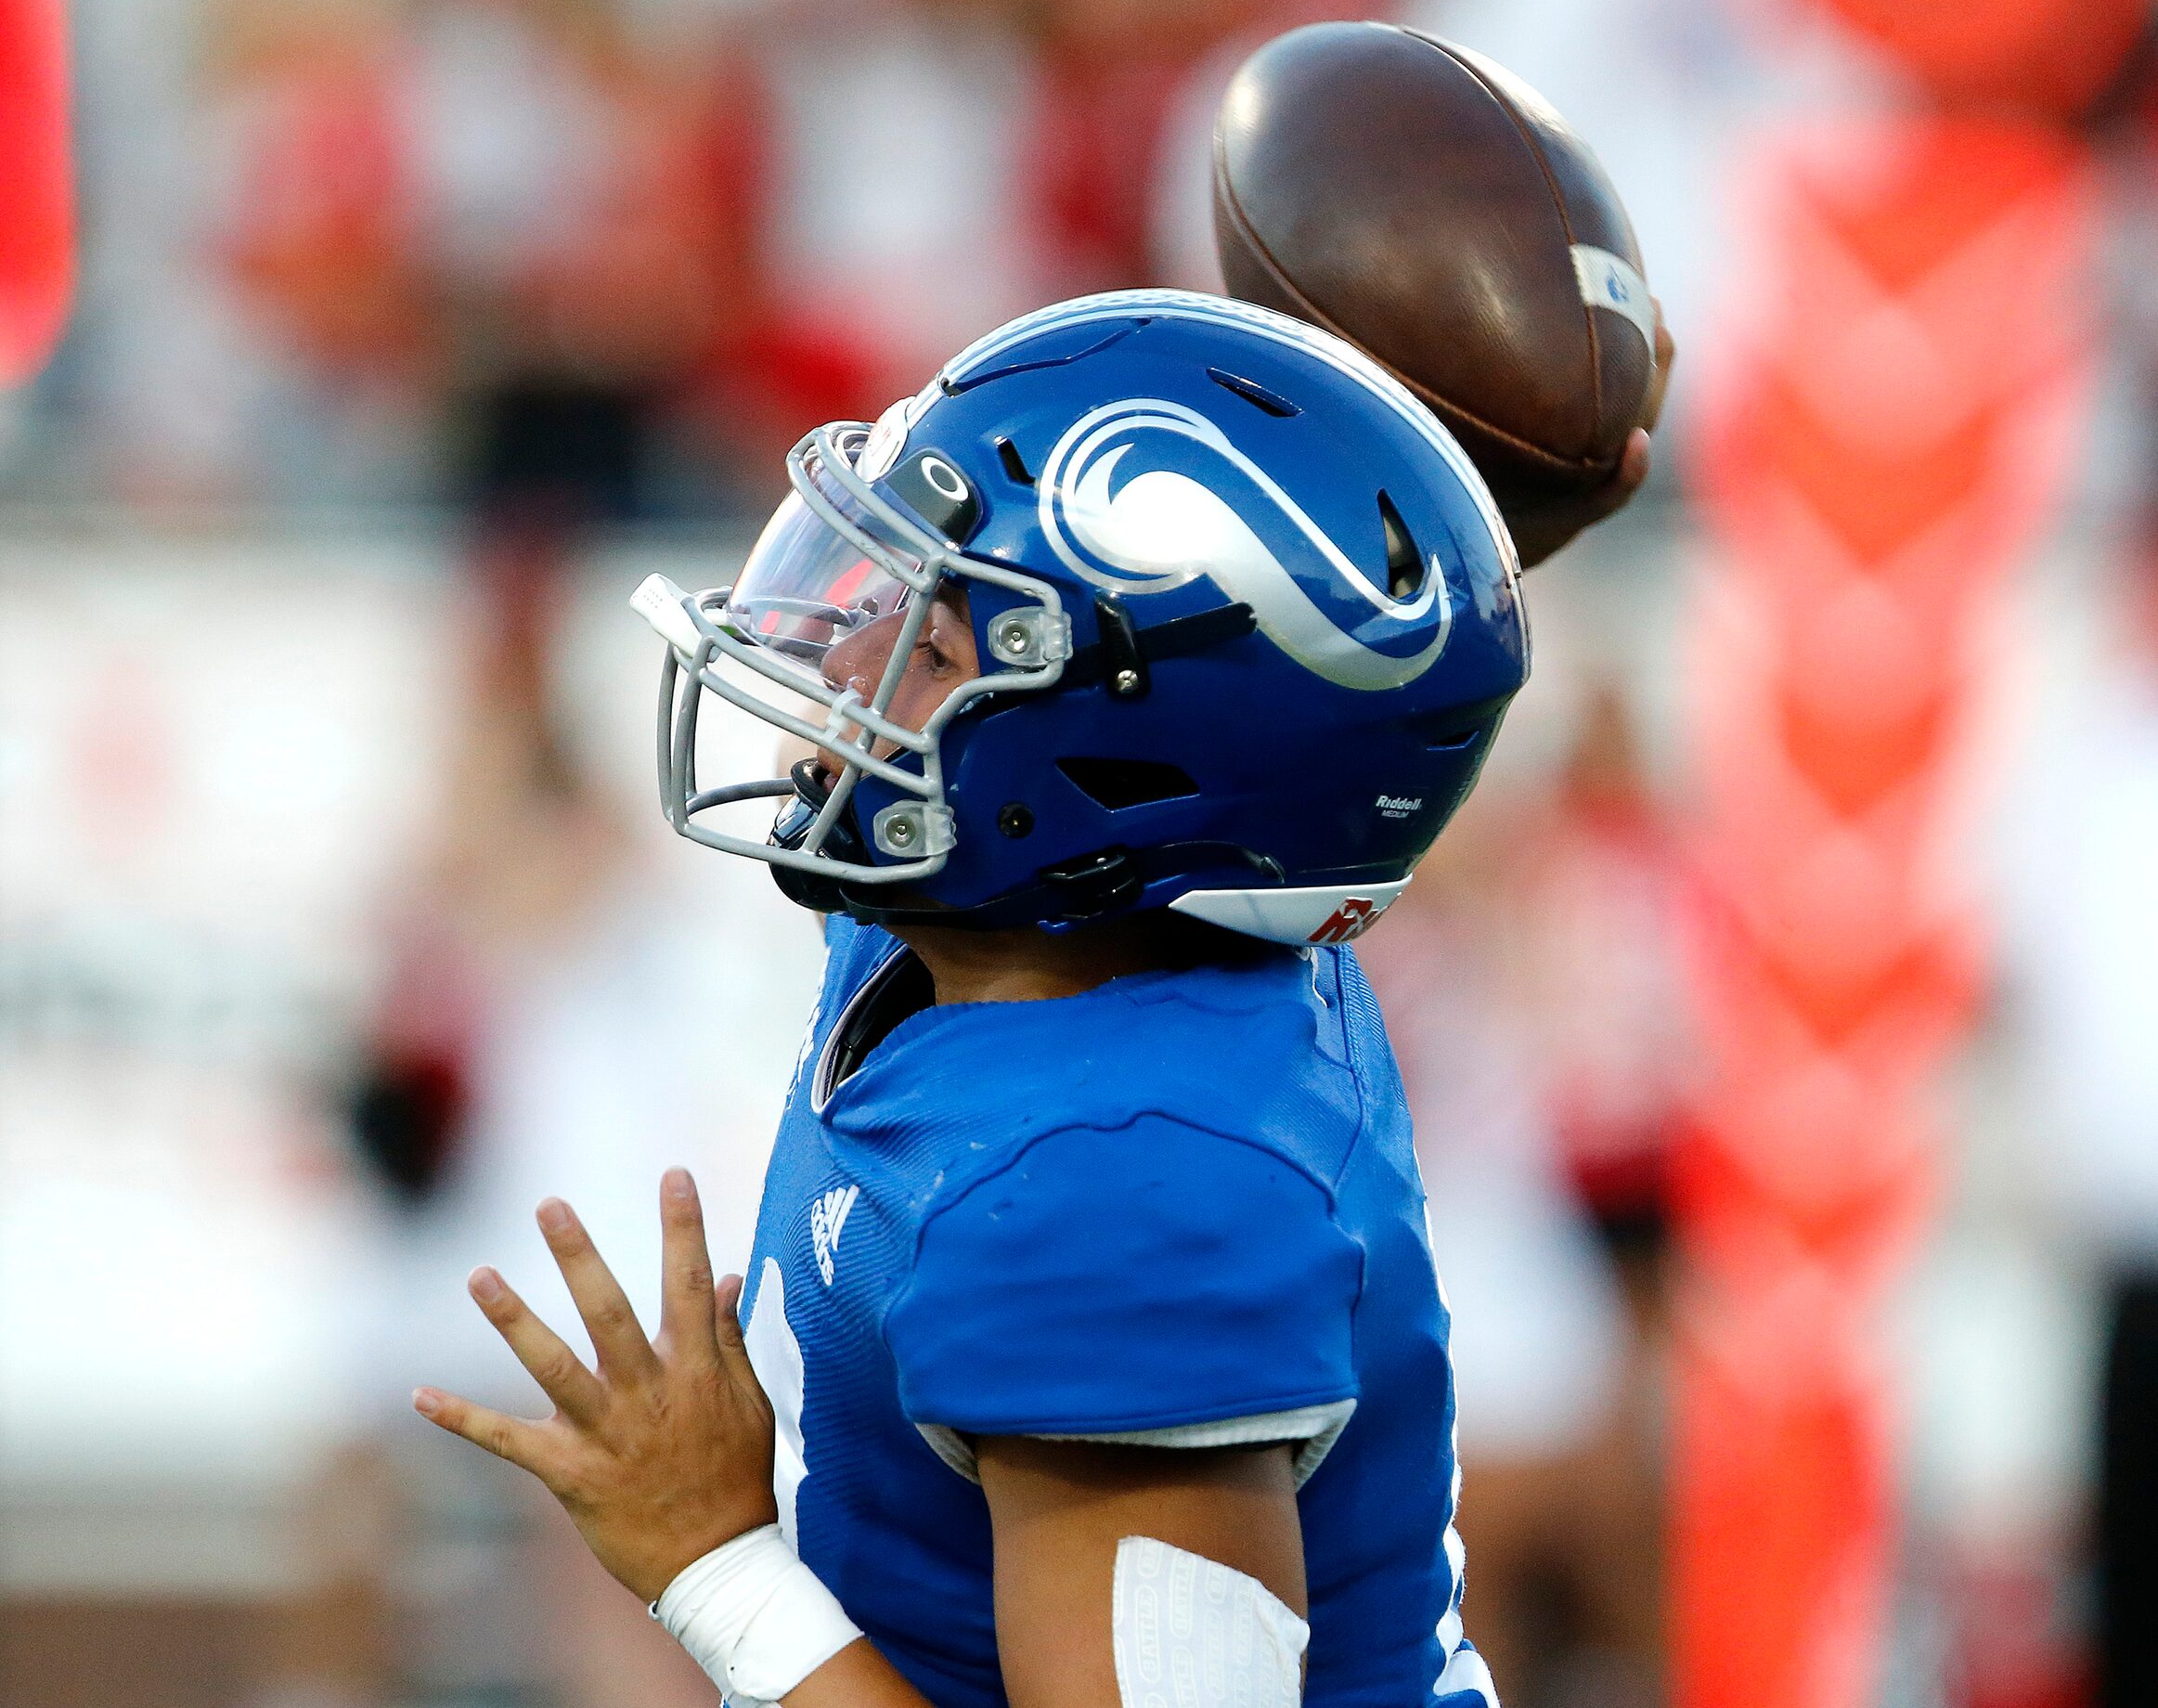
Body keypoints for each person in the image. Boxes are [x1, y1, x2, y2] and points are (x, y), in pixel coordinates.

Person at [407, 287, 1652, 1706]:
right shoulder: (1020, 936)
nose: (843, 662)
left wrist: (713, 1564)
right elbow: (1282, 703)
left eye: (935, 645)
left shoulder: (1115, 1188)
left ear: (1115, 768)